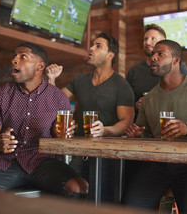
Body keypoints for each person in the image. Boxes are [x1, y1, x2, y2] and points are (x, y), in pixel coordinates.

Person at [122, 40, 187, 213]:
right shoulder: (149, 99)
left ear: (176, 60)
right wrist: (136, 135)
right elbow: (144, 134)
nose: (153, 58)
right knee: (127, 209)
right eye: (152, 54)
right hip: (156, 165)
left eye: (160, 54)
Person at [0, 42, 89, 198]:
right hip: (5, 163)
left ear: (39, 66)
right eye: (14, 56)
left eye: (23, 57)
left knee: (78, 187)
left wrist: (59, 136)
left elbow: (60, 139)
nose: (14, 60)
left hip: (42, 162)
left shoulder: (58, 97)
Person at [46, 33, 135, 203]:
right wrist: (51, 80)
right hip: (81, 152)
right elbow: (57, 102)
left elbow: (126, 122)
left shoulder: (122, 86)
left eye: (98, 46)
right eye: (92, 45)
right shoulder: (80, 80)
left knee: (103, 201)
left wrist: (105, 130)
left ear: (111, 55)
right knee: (70, 193)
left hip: (109, 155)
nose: (91, 48)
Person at [126, 24, 187, 121]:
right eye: (145, 39)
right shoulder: (134, 71)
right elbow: (126, 103)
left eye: (153, 38)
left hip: (171, 125)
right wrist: (135, 105)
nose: (148, 42)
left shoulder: (178, 66)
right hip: (142, 129)